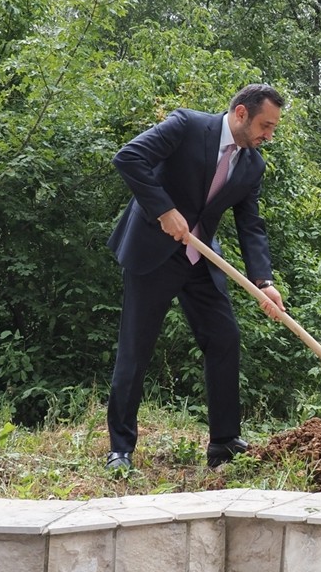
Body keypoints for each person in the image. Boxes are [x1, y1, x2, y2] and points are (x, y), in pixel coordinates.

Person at [104, 84, 287, 472]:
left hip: (200, 258)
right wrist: (164, 209)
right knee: (135, 349)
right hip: (153, 253)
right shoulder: (187, 126)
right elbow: (129, 157)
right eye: (265, 125)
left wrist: (264, 281)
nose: (268, 135)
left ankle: (223, 443)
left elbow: (251, 225)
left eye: (272, 128)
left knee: (224, 338)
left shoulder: (253, 164)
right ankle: (120, 449)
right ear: (240, 113)